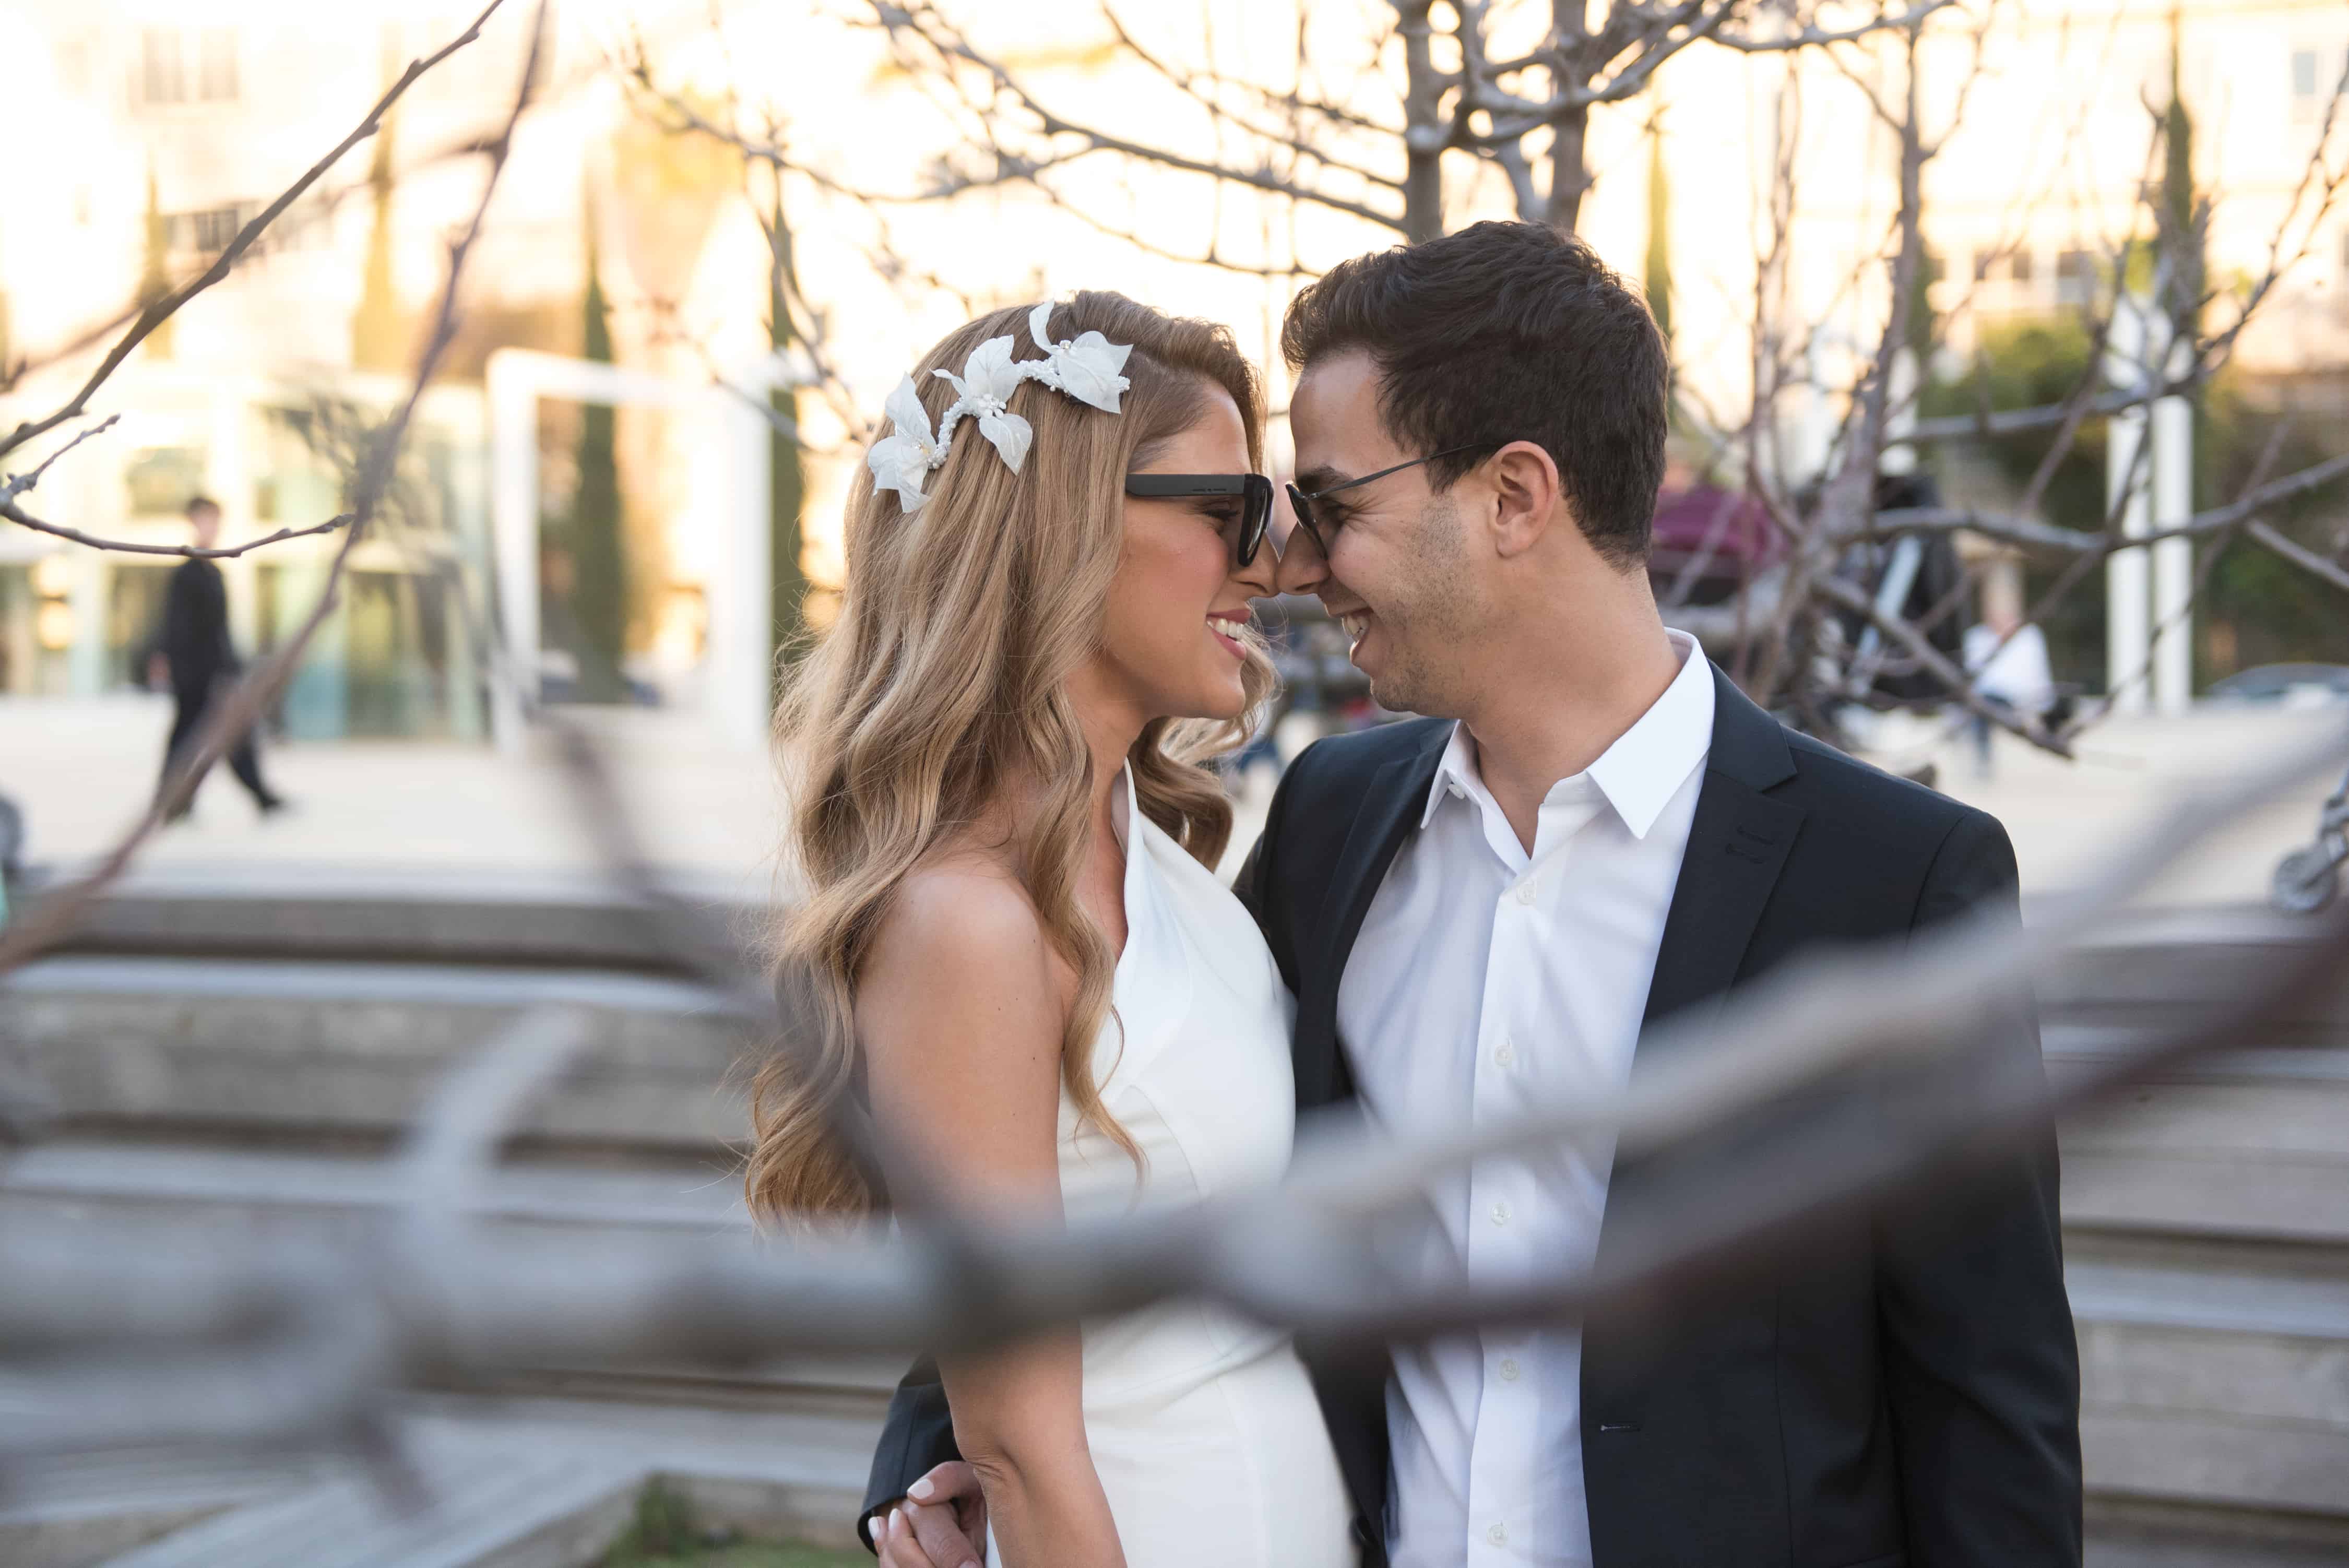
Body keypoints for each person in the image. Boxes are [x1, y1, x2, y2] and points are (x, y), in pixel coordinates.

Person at [861, 223, 2082, 1568]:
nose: (1297, 564)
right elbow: (1076, 1128)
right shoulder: (1332, 826)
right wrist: (940, 1453)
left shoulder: (1895, 884)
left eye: (1332, 507)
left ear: (1513, 495)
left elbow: (1990, 1419)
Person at [753, 296, 1355, 1568]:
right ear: (1062, 526)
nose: (1272, 561)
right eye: (1228, 508)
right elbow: (1018, 1441)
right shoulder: (966, 924)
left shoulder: (1146, 837)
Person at [150, 496, 286, 820]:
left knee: (227, 733)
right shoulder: (186, 575)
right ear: (192, 521)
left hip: (216, 671)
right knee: (192, 737)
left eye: (215, 519)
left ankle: (178, 801)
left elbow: (219, 630)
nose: (211, 526)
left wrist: (231, 667)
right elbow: (175, 626)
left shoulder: (214, 572)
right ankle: (172, 800)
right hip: (193, 675)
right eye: (205, 518)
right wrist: (170, 664)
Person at [1962, 592, 2057, 778]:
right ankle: (1983, 760)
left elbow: (2037, 672)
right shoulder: (1976, 636)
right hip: (1986, 697)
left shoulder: (2029, 636)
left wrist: (2043, 702)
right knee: (1981, 706)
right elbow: (1972, 674)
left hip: (2018, 696)